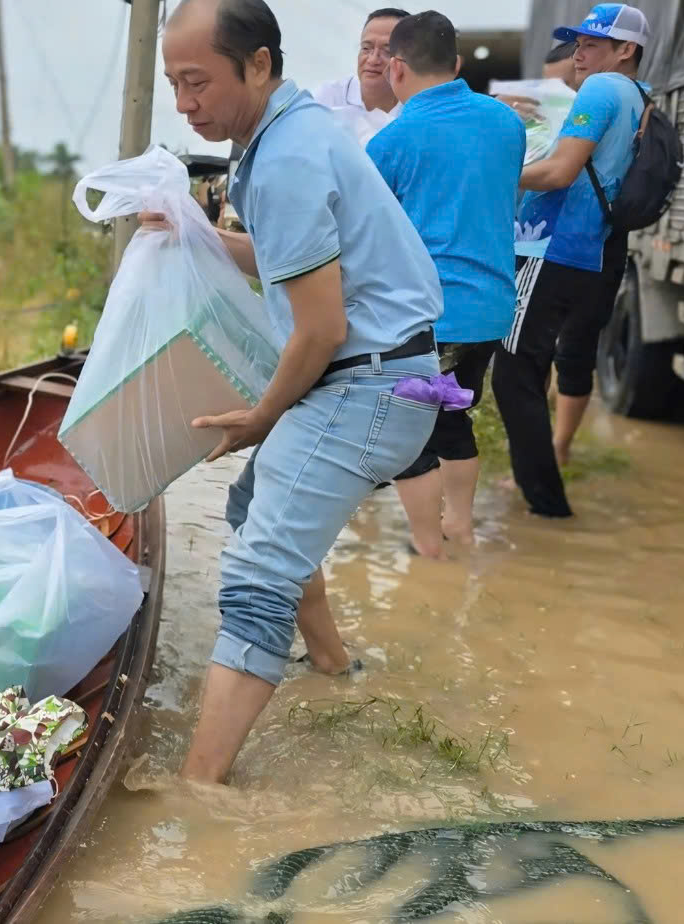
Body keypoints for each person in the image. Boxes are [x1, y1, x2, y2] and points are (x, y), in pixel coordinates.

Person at [153, 0, 443, 784]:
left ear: (257, 64)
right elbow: (293, 260)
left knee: (255, 573)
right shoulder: (292, 134)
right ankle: (333, 664)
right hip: (387, 372)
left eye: (197, 82)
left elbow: (319, 328)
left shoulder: (284, 156)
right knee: (254, 512)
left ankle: (198, 794)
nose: (184, 103)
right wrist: (198, 235)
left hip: (365, 383)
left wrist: (261, 415)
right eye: (174, 84)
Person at [367, 11, 526, 558]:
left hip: (430, 316)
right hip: (491, 310)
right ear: (456, 64)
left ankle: (427, 549)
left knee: (406, 429)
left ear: (396, 68)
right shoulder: (506, 123)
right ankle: (460, 526)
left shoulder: (392, 141)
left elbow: (368, 236)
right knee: (453, 415)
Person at [494, 2, 654, 517]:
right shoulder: (640, 96)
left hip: (554, 245)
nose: (579, 54)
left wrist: (493, 170)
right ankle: (543, 484)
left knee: (513, 373)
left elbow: (560, 172)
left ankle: (545, 505)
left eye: (592, 45)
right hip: (595, 253)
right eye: (579, 44)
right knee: (544, 365)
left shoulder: (602, 88)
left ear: (625, 49)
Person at [309, 7, 411, 144]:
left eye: (387, 51)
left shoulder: (416, 109)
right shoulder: (328, 98)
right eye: (366, 48)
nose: (373, 60)